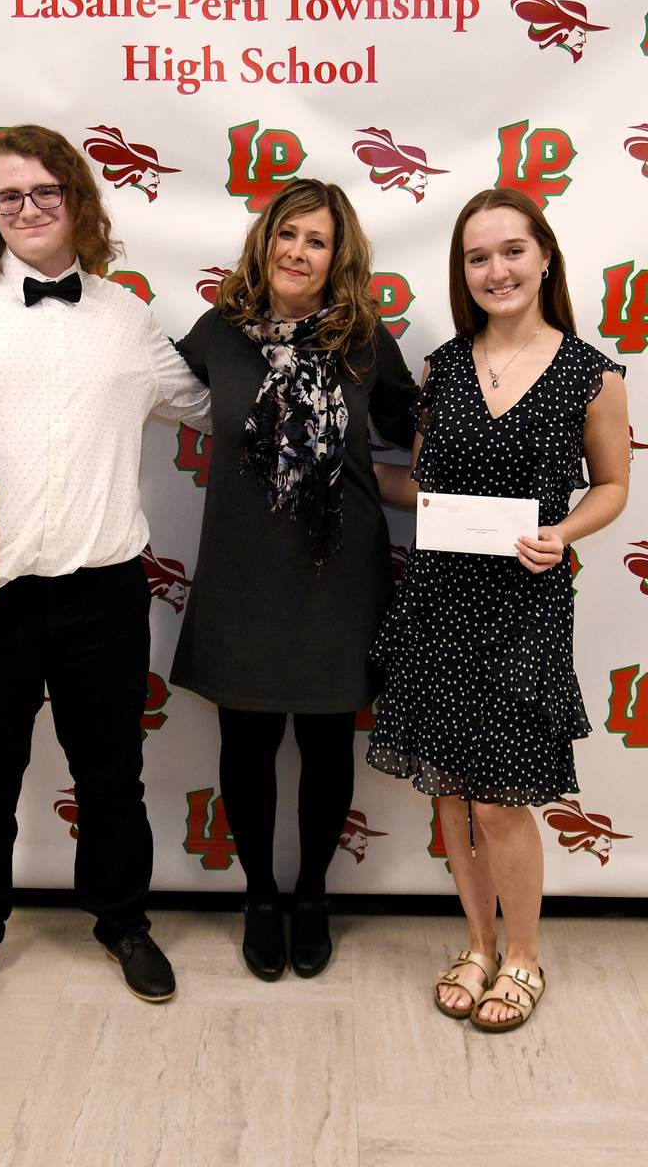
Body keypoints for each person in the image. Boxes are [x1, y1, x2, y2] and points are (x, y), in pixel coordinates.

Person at [0, 124, 211, 1012]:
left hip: (102, 593)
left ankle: (124, 923)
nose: (26, 209)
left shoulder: (126, 317)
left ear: (78, 201)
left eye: (44, 192)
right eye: (7, 195)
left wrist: (298, 358)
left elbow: (210, 407)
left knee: (112, 778)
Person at [367, 187, 629, 1030]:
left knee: (498, 800)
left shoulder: (593, 373)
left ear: (544, 256)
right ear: (463, 271)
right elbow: (423, 486)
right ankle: (477, 944)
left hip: (526, 604)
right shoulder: (441, 368)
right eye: (478, 257)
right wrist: (344, 467)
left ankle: (524, 957)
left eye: (512, 251)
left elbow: (615, 485)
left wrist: (564, 530)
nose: (496, 270)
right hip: (437, 602)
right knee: (449, 794)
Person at [169, 178, 418, 980]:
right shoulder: (219, 332)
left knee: (322, 736)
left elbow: (423, 433)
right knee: (244, 740)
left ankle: (312, 894)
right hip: (243, 565)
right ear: (264, 241)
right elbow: (134, 390)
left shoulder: (365, 339)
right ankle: (259, 897)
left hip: (338, 570)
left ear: (337, 257)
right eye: (287, 234)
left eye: (316, 240)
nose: (298, 252)